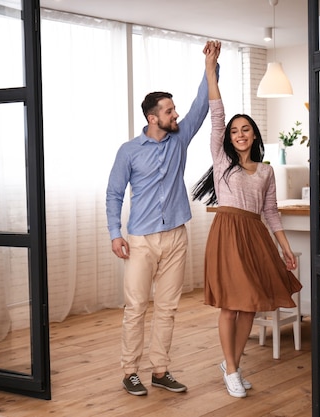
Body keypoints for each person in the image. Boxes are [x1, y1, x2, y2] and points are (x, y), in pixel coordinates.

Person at [106, 41, 221, 396]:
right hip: (140, 240)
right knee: (137, 307)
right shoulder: (128, 151)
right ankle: (130, 371)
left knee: (168, 308)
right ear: (152, 118)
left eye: (174, 110)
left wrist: (211, 65)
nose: (176, 115)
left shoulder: (179, 139)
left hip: (176, 237)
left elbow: (203, 104)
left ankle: (160, 370)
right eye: (169, 112)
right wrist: (115, 233)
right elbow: (114, 194)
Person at [191, 43, 302, 398]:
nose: (239, 134)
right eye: (234, 131)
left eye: (245, 130)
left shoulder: (266, 171)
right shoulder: (223, 163)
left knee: (251, 305)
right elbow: (217, 112)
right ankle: (233, 369)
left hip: (255, 235)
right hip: (227, 233)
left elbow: (271, 213)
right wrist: (211, 68)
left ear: (254, 135)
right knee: (230, 305)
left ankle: (231, 365)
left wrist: (286, 249)